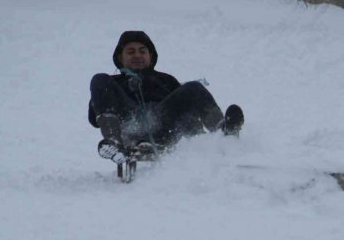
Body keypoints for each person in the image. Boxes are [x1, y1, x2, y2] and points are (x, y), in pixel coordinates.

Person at [88, 31, 244, 164]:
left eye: (142, 51)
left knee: (193, 87)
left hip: (163, 125)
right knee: (99, 78)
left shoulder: (165, 79)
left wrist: (196, 137)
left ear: (150, 56)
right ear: (120, 58)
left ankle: (222, 133)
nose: (137, 55)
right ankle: (114, 143)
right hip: (129, 123)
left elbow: (186, 110)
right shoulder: (112, 83)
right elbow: (94, 116)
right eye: (131, 52)